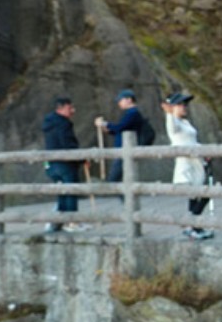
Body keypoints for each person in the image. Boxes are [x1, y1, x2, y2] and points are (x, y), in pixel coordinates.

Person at [161, 92, 213, 240]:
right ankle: (192, 225)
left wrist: (204, 152)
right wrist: (169, 114)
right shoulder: (174, 122)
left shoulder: (186, 122)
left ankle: (193, 226)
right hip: (186, 164)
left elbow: (192, 141)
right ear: (173, 107)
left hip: (197, 162)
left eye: (185, 105)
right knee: (202, 193)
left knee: (196, 196)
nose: (185, 107)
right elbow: (171, 128)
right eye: (181, 105)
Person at [41, 96, 91, 233]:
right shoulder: (63, 124)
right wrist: (81, 158)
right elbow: (67, 144)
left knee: (61, 191)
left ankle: (59, 221)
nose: (73, 111)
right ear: (61, 108)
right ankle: (71, 221)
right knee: (71, 190)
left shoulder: (48, 123)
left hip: (51, 163)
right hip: (64, 163)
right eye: (70, 108)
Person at [96, 89, 147, 182]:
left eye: (121, 100)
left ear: (129, 100)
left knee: (114, 179)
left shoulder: (133, 113)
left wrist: (105, 124)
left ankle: (125, 196)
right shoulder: (129, 114)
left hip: (125, 149)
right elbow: (120, 130)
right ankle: (124, 196)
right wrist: (107, 129)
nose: (119, 103)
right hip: (122, 149)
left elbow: (121, 127)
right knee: (120, 178)